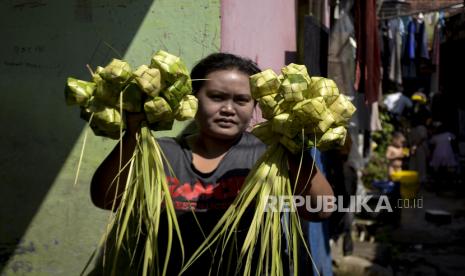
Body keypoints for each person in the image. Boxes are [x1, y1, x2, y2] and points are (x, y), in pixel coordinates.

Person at [89, 53, 334, 275]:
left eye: (241, 100)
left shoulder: (270, 156)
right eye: (216, 97)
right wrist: (133, 130)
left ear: (255, 106)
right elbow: (106, 199)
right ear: (193, 99)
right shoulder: (161, 153)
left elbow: (321, 209)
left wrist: (293, 145)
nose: (228, 109)